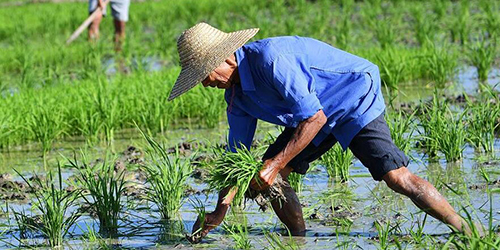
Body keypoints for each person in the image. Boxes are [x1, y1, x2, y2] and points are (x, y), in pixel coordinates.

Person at [168, 22, 470, 242]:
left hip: (352, 95)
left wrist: (273, 164)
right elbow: (238, 156)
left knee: (396, 176)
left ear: (226, 58)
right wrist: (220, 210)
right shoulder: (237, 98)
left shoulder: (272, 60)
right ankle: (298, 240)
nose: (205, 84)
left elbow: (314, 117)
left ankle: (467, 232)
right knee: (274, 178)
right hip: (312, 112)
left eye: (204, 75)